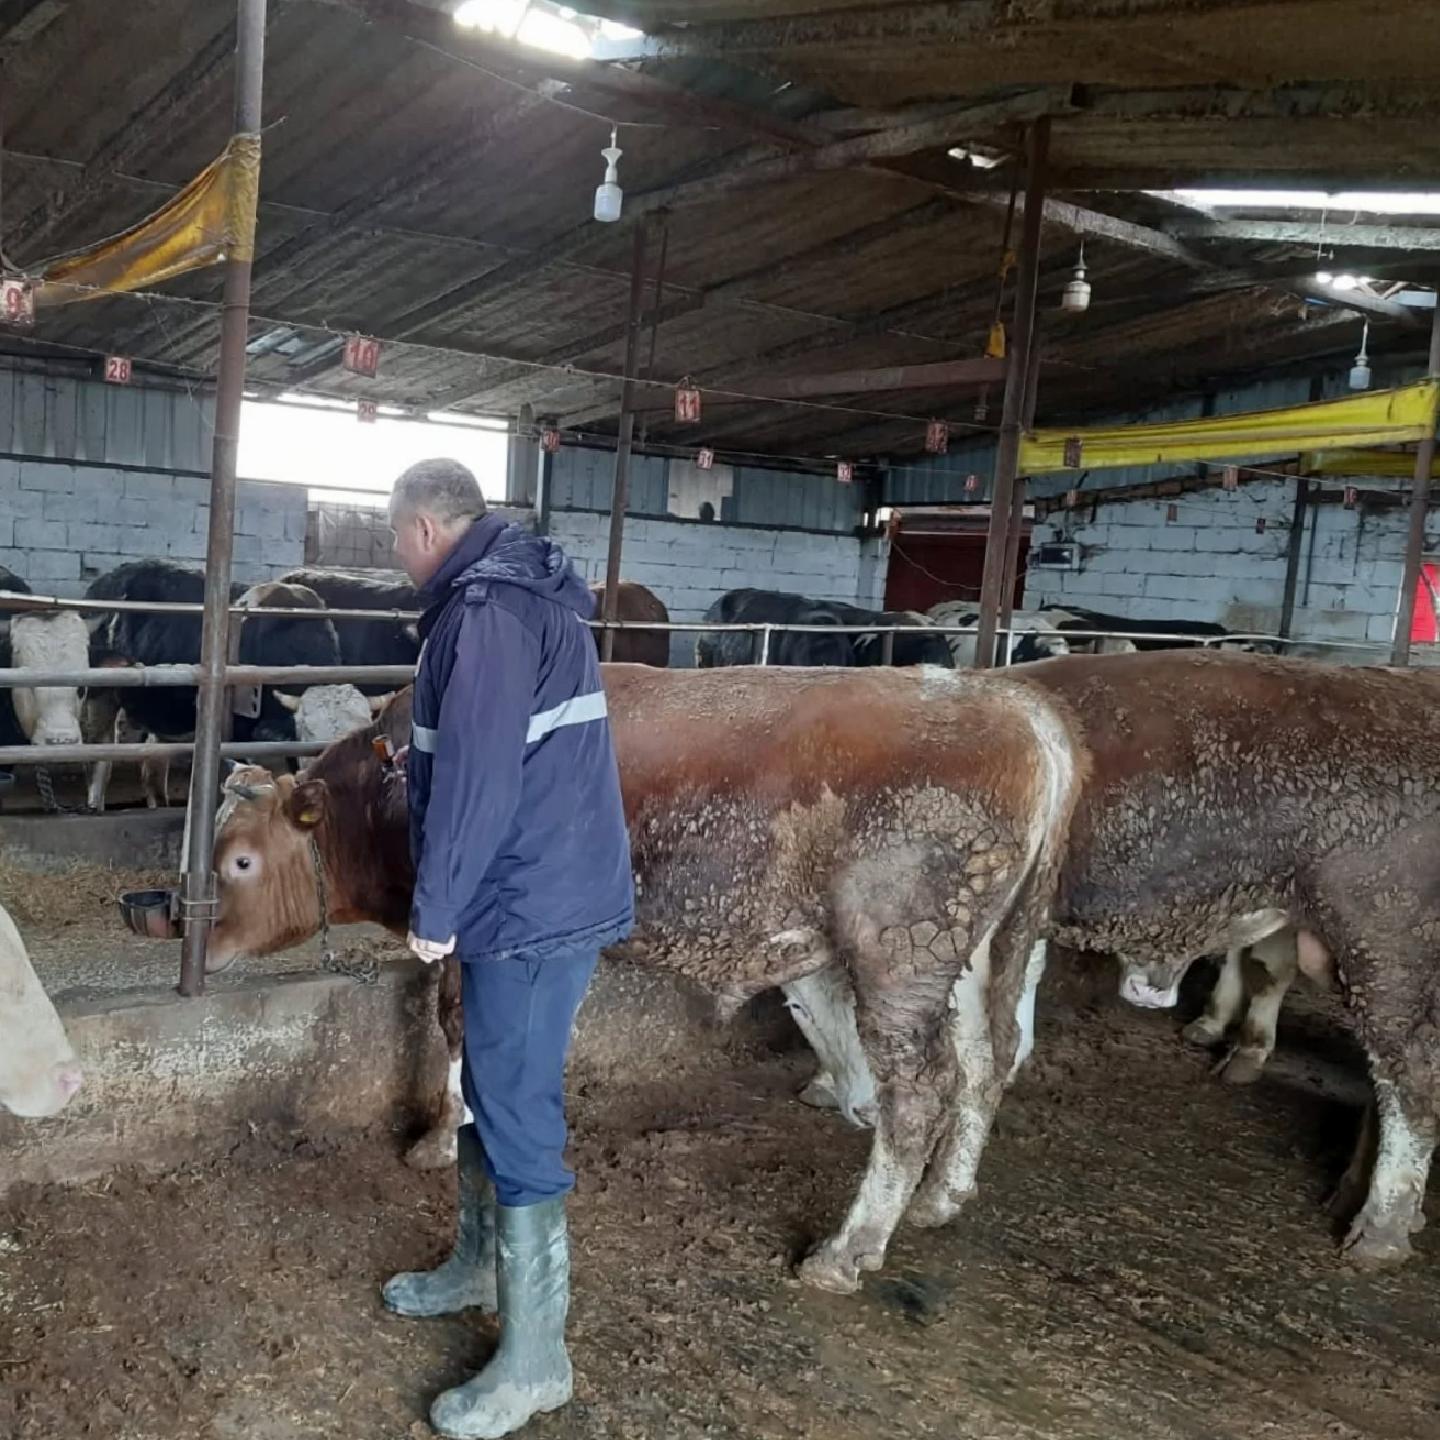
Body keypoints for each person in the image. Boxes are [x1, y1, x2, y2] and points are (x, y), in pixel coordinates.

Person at [381, 458, 633, 1440]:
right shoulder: (524, 598)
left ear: (424, 528)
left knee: (518, 1109)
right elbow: (491, 750)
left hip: (526, 905)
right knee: (491, 1090)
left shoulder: (484, 613)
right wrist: (426, 763)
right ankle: (477, 1265)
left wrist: (435, 907)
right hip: (539, 885)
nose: (394, 553)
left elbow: (486, 780)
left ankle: (537, 1360)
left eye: (394, 535)